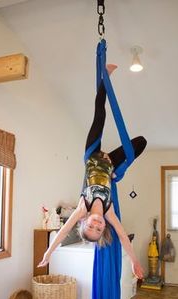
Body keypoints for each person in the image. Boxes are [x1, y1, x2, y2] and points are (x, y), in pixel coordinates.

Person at [38, 64, 147, 279]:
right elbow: (124, 237)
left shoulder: (82, 208)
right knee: (140, 143)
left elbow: (61, 233)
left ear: (84, 221)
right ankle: (116, 172)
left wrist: (49, 253)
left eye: (91, 227)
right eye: (99, 229)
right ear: (103, 226)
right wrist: (135, 261)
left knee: (99, 115)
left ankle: (105, 76)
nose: (96, 225)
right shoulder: (109, 212)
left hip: (92, 155)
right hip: (108, 165)